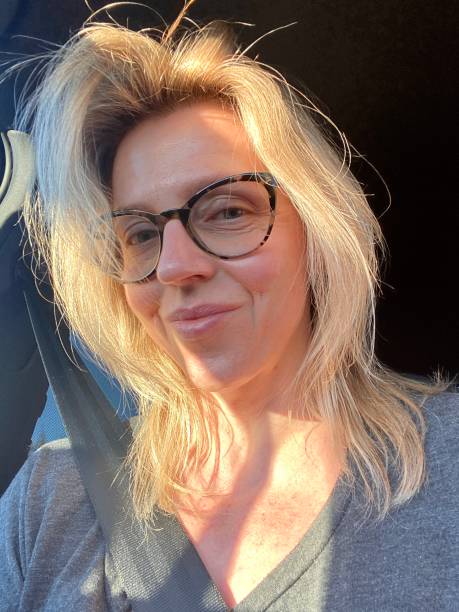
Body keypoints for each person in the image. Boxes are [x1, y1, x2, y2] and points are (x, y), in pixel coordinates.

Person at [0, 12, 458, 612]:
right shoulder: (46, 499)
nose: (173, 266)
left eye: (228, 211)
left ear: (317, 231)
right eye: (141, 234)